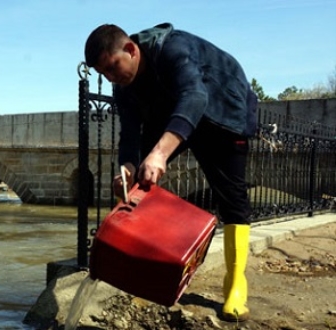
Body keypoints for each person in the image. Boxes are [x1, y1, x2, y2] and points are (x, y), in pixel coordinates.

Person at [84, 23, 257, 321]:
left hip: (222, 115)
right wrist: (127, 167)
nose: (112, 78)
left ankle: (235, 284)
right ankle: (145, 261)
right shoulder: (123, 86)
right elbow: (129, 133)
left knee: (232, 198)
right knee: (142, 175)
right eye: (104, 74)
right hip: (171, 114)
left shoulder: (173, 48)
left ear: (131, 50)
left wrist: (160, 153)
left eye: (113, 67)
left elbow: (194, 97)